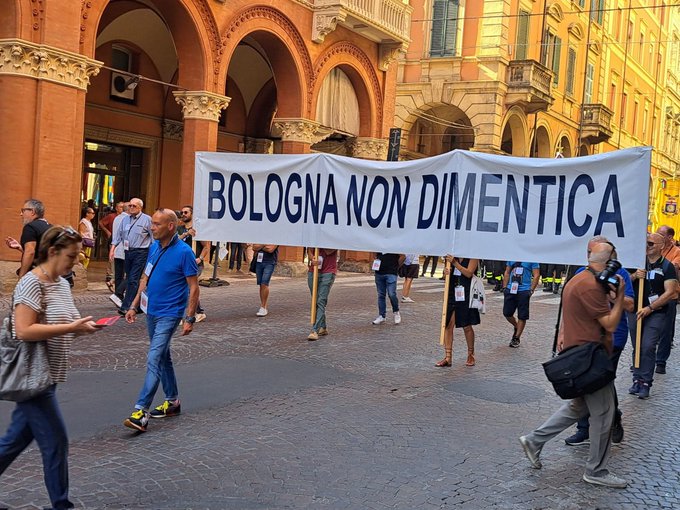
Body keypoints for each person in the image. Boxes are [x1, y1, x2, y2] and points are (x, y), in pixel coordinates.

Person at [0, 225, 101, 509]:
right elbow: (23, 330)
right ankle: (61, 505)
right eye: (71, 256)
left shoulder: (61, 283)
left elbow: (70, 320)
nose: (76, 261)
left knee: (12, 443)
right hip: (33, 377)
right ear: (53, 252)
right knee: (56, 443)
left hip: (48, 376)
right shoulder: (31, 283)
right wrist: (71, 327)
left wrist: (85, 327)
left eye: (78, 256)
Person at [519, 242, 627, 489]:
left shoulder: (582, 279)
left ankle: (534, 441)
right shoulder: (590, 286)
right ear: (608, 262)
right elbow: (610, 323)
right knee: (604, 414)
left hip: (584, 355)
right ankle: (596, 471)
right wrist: (619, 297)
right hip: (591, 359)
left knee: (577, 408)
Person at [123, 209, 199, 432]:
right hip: (152, 311)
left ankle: (141, 411)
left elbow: (194, 288)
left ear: (170, 227)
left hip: (170, 313)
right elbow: (146, 277)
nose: (151, 227)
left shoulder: (184, 252)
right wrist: (134, 305)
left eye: (156, 224)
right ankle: (173, 401)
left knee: (154, 357)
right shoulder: (155, 246)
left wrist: (189, 317)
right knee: (163, 356)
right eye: (152, 223)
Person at [563, 237, 634, 446]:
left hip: (613, 339)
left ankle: (607, 421)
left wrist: (612, 294)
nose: (589, 256)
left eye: (592, 252)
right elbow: (571, 307)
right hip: (584, 340)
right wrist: (563, 334)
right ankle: (586, 428)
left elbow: (630, 305)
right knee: (590, 385)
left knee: (599, 383)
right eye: (587, 251)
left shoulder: (620, 275)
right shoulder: (580, 274)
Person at [629, 232, 677, 399]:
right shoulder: (636, 263)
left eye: (651, 244)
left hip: (655, 312)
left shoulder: (667, 266)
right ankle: (636, 378)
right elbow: (623, 281)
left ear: (661, 246)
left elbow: (670, 292)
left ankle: (646, 381)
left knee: (648, 345)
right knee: (637, 346)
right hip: (635, 310)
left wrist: (650, 308)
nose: (647, 247)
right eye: (646, 244)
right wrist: (635, 275)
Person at [435, 256, 480, 367]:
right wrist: (446, 273)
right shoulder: (451, 257)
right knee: (448, 324)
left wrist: (455, 263)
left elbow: (469, 273)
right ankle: (448, 357)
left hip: (466, 294)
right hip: (452, 293)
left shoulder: (472, 256)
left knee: (466, 325)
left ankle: (471, 354)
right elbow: (447, 276)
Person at [111, 198, 152, 315]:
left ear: (140, 207)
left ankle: (126, 306)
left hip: (141, 252)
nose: (131, 208)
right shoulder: (125, 219)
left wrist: (153, 255)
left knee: (133, 279)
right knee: (130, 278)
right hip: (128, 252)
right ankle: (137, 305)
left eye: (134, 206)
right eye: (130, 206)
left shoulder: (147, 219)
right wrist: (112, 249)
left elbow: (153, 238)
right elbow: (118, 236)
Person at [654, 225, 680, 374]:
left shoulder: (677, 252)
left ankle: (661, 362)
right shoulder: (653, 249)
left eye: (660, 234)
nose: (657, 236)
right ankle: (642, 360)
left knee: (665, 331)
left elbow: (673, 267)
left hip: (669, 295)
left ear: (669, 238)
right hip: (653, 295)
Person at [178, 205, 210, 322]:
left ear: (192, 214)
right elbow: (174, 241)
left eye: (186, 212)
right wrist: (186, 234)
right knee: (191, 288)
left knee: (188, 288)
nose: (183, 214)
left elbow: (206, 247)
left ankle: (185, 315)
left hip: (195, 264)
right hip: (181, 263)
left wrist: (200, 258)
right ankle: (199, 311)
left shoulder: (199, 230)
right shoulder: (180, 229)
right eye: (182, 212)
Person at [5, 199, 51, 278]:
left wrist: (21, 276)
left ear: (32, 212)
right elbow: (41, 254)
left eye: (23, 211)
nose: (21, 214)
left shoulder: (30, 227)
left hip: (40, 275)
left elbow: (30, 252)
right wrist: (20, 247)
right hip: (51, 274)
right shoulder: (50, 227)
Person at [501, 261, 540, 347]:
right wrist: (504, 287)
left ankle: (516, 338)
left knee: (522, 315)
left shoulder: (532, 259)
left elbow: (536, 275)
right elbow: (507, 272)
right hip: (511, 289)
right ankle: (516, 326)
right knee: (507, 313)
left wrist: (531, 290)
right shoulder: (512, 258)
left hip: (524, 290)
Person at [306, 248, 337, 341]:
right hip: (313, 270)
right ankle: (323, 327)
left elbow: (329, 250)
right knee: (315, 300)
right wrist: (312, 259)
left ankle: (315, 330)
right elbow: (309, 249)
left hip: (328, 272)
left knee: (321, 300)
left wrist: (318, 240)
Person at [372, 252, 403, 325]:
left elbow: (403, 256)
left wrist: (396, 266)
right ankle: (382, 316)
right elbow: (374, 253)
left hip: (391, 272)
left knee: (391, 294)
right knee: (381, 295)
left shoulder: (395, 244)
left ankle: (396, 312)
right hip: (379, 272)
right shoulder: (379, 243)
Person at [108, 202, 129, 308]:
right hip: (125, 250)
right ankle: (118, 294)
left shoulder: (117, 218)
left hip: (117, 250)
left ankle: (118, 298)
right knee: (130, 275)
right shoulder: (128, 219)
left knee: (119, 275)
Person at [99, 202, 124, 292]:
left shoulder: (126, 218)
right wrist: (107, 231)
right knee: (113, 260)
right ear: (116, 208)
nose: (123, 208)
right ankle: (111, 278)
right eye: (121, 207)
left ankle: (112, 280)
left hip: (120, 244)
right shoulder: (112, 216)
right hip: (114, 241)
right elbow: (101, 222)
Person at [253, 244, 278, 316]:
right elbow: (254, 247)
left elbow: (270, 249)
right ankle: (263, 305)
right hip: (259, 261)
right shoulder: (260, 236)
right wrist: (264, 245)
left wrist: (260, 246)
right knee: (261, 284)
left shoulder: (276, 237)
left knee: (264, 283)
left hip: (270, 262)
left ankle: (263, 307)